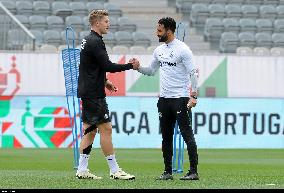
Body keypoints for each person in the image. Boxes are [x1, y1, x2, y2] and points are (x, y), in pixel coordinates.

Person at [132, 17, 199, 180]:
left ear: (169, 31)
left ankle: (193, 171)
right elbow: (151, 71)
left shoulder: (183, 50)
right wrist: (138, 67)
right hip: (164, 99)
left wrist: (194, 95)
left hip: (181, 98)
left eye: (159, 30)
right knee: (166, 136)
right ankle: (167, 171)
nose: (157, 33)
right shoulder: (159, 50)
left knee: (187, 134)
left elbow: (193, 73)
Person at [76, 9, 139, 180]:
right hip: (93, 94)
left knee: (90, 131)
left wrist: (104, 81)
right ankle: (114, 170)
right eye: (105, 21)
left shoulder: (88, 39)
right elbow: (108, 65)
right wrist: (129, 66)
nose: (108, 24)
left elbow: (92, 66)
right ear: (97, 23)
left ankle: (82, 169)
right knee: (106, 129)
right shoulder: (95, 41)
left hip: (89, 91)